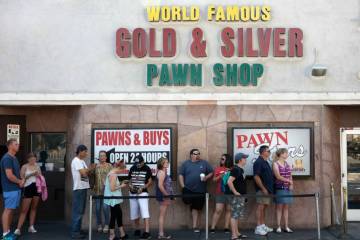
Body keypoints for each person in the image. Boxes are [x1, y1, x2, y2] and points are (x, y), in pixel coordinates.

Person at [179, 149, 213, 233]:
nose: (197, 155)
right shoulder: (186, 164)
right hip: (188, 189)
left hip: (200, 190)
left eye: (198, 154)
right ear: (191, 155)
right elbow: (181, 175)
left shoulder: (204, 163)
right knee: (187, 202)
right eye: (195, 154)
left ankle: (195, 226)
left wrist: (206, 177)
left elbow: (211, 172)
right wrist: (183, 186)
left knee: (196, 208)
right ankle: (194, 224)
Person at [0, 139, 24, 240]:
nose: (18, 145)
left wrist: (21, 179)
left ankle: (8, 232)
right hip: (10, 189)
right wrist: (19, 181)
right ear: (10, 146)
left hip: (15, 189)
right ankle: (5, 235)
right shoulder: (7, 158)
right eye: (16, 144)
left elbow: (16, 174)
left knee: (11, 210)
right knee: (8, 210)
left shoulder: (14, 158)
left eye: (18, 143)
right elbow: (9, 175)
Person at [71, 144, 95, 239]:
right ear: (80, 151)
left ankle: (78, 229)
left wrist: (89, 169)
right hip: (79, 189)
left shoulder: (82, 161)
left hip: (83, 187)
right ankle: (75, 232)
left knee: (81, 210)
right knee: (78, 211)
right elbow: (84, 172)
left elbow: (86, 173)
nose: (86, 153)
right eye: (85, 151)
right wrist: (91, 168)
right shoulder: (76, 161)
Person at [14, 152, 42, 236]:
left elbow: (41, 176)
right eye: (31, 158)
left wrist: (38, 175)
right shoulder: (24, 166)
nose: (33, 159)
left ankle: (31, 226)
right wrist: (31, 174)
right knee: (24, 209)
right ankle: (18, 228)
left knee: (34, 208)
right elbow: (22, 178)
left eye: (34, 158)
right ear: (28, 159)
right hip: (28, 187)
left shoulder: (37, 166)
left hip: (36, 187)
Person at [128, 155, 153, 240]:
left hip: (142, 193)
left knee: (144, 212)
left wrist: (142, 188)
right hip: (132, 193)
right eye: (136, 163)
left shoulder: (147, 168)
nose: (137, 165)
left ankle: (147, 232)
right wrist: (131, 186)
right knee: (134, 212)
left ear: (143, 162)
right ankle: (137, 229)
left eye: (139, 163)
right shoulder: (132, 167)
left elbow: (150, 182)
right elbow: (130, 180)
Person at [104, 160, 129, 240]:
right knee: (114, 216)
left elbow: (111, 185)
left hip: (114, 198)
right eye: (122, 170)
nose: (121, 172)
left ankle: (122, 234)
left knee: (118, 215)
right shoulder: (113, 175)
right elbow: (112, 188)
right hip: (113, 198)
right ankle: (112, 235)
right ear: (119, 168)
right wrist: (121, 186)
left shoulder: (111, 173)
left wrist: (120, 183)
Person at [253, 145, 274, 236]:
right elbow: (256, 176)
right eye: (268, 151)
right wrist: (263, 188)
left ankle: (262, 225)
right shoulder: (258, 162)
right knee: (260, 207)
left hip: (268, 190)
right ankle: (258, 227)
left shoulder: (265, 162)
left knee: (264, 208)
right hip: (262, 190)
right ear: (263, 152)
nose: (269, 152)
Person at [227, 153, 248, 240]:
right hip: (236, 196)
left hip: (240, 196)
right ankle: (234, 236)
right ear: (240, 160)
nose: (246, 160)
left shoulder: (240, 170)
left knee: (237, 215)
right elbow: (229, 181)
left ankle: (237, 233)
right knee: (234, 215)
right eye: (244, 158)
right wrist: (235, 192)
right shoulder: (236, 169)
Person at [90, 150, 112, 233]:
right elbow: (90, 175)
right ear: (98, 157)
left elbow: (113, 176)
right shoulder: (96, 166)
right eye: (100, 156)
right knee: (97, 208)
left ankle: (107, 224)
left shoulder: (110, 166)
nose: (102, 157)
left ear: (106, 157)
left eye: (103, 155)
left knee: (106, 208)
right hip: (97, 190)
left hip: (107, 191)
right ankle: (99, 224)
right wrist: (91, 169)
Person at [210, 154, 233, 234]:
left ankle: (226, 227)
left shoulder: (232, 169)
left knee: (229, 210)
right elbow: (214, 180)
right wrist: (221, 175)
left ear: (228, 160)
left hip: (230, 192)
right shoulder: (218, 169)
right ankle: (212, 227)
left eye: (223, 159)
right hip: (220, 192)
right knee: (218, 210)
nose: (221, 160)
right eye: (221, 159)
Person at [272, 148, 294, 233]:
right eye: (285, 153)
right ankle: (278, 226)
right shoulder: (275, 164)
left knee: (286, 208)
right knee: (279, 208)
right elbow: (278, 176)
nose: (287, 154)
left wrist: (291, 184)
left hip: (288, 189)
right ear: (281, 154)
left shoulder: (287, 164)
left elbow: (290, 175)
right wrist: (289, 181)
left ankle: (286, 226)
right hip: (280, 188)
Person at [156, 157, 174, 239]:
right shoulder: (162, 173)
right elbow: (160, 186)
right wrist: (166, 195)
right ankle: (161, 234)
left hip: (165, 196)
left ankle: (161, 233)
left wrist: (171, 195)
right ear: (161, 164)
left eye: (167, 162)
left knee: (162, 215)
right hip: (164, 197)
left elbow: (167, 185)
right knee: (162, 215)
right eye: (165, 162)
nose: (167, 163)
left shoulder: (163, 172)